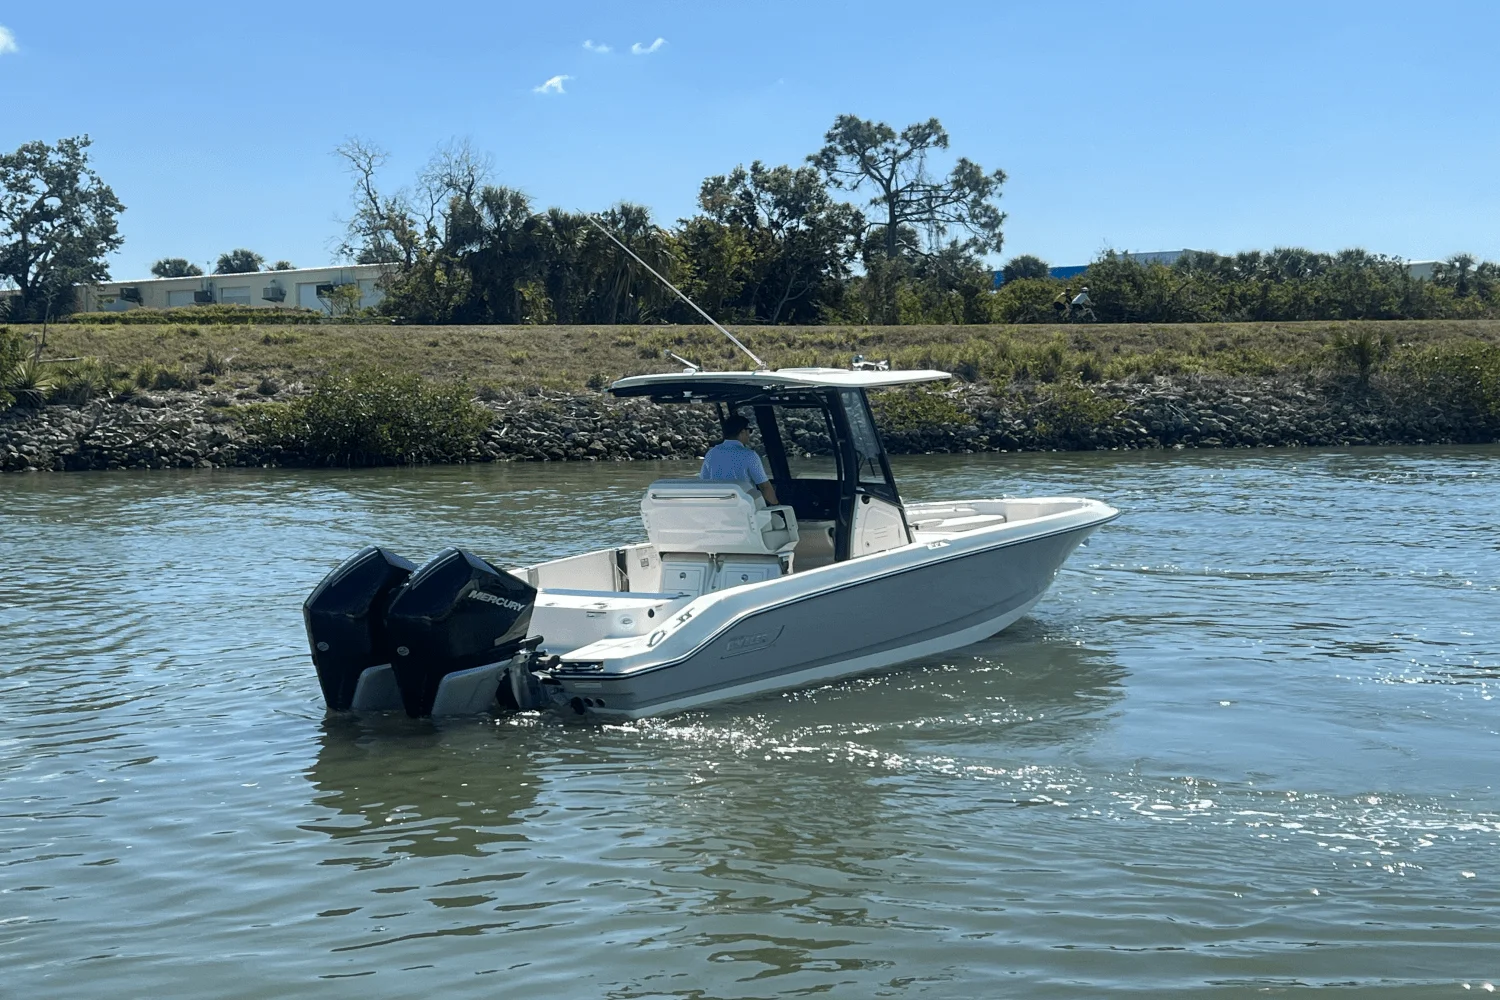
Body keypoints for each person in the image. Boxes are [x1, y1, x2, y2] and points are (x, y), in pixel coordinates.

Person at [700, 414, 779, 506]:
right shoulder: (749, 455)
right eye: (749, 430)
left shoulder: (711, 453)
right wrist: (777, 506)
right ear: (742, 431)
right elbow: (765, 487)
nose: (749, 435)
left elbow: (704, 482)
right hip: (744, 509)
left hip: (719, 508)